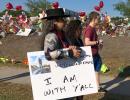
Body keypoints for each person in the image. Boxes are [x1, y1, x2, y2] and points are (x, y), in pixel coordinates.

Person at [43, 8, 81, 100]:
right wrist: (69, 52)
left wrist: (71, 47)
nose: (64, 22)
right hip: (56, 77)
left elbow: (65, 47)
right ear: (55, 22)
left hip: (65, 75)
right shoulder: (51, 36)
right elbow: (48, 55)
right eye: (61, 20)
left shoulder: (63, 34)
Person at [83, 11, 107, 92]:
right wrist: (97, 42)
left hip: (95, 53)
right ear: (94, 19)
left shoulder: (92, 29)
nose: (99, 20)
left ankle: (97, 87)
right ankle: (94, 86)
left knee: (97, 69)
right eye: (98, 18)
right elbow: (87, 42)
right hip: (91, 55)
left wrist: (98, 43)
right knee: (93, 70)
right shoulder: (89, 29)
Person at [65, 20, 83, 100]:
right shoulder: (69, 40)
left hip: (80, 70)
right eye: (80, 28)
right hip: (71, 71)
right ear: (75, 29)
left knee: (80, 93)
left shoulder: (80, 40)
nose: (82, 30)